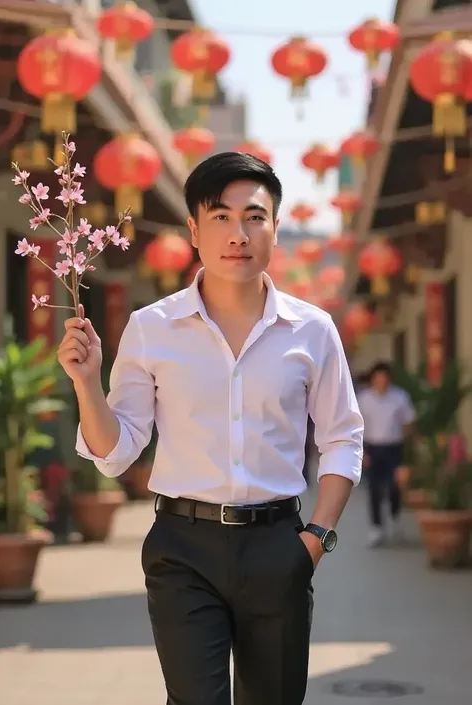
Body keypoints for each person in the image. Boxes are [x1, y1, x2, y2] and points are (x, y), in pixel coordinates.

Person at [58, 152, 364, 705]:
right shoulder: (152, 328)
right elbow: (116, 451)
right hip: (183, 548)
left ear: (275, 227)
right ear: (194, 231)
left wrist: (314, 540)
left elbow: (342, 436)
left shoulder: (312, 331)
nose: (238, 233)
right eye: (220, 217)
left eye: (254, 216)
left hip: (278, 544)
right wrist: (85, 382)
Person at [357, 361, 416, 548]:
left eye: (385, 377)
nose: (381, 381)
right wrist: (362, 452)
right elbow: (358, 426)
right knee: (373, 488)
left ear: (389, 378)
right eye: (378, 377)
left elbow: (408, 422)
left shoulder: (400, 397)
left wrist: (408, 450)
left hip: (394, 448)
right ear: (373, 379)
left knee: (394, 487)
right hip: (372, 448)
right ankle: (376, 528)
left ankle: (395, 519)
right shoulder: (364, 399)